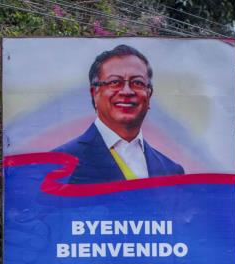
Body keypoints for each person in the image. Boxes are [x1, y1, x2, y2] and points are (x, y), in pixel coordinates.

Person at [54, 44, 184, 184]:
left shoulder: (172, 172)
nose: (127, 91)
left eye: (138, 83)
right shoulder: (61, 163)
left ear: (149, 95)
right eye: (114, 82)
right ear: (94, 93)